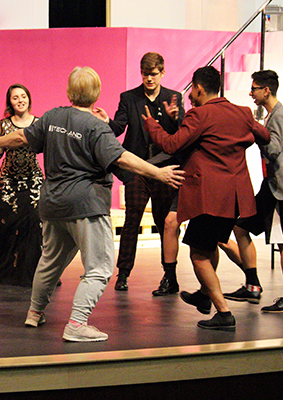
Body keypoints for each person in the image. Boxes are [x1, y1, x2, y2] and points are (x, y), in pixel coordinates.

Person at [0, 66, 184, 342]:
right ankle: (76, 324)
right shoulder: (96, 127)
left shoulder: (53, 116)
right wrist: (157, 172)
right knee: (99, 268)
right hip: (85, 206)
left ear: (69, 92)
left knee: (49, 263)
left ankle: (34, 313)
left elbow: (21, 137)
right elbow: (121, 158)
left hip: (52, 204)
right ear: (97, 93)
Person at [144, 66, 270, 331]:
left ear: (199, 88)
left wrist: (151, 125)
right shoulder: (242, 112)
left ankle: (223, 312)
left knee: (199, 255)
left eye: (192, 88)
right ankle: (204, 294)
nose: (190, 94)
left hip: (210, 197)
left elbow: (170, 145)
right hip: (236, 197)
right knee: (210, 245)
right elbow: (265, 136)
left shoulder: (200, 114)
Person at [93, 52, 184, 295]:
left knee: (165, 222)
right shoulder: (129, 98)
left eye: (153, 74)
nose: (149, 79)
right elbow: (119, 128)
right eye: (145, 74)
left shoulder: (174, 97)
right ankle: (122, 274)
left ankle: (169, 274)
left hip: (165, 170)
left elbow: (181, 134)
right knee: (132, 221)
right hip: (137, 169)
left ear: (162, 72)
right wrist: (106, 121)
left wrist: (176, 118)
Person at [222, 70, 283, 313]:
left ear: (266, 90)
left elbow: (273, 149)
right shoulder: (273, 115)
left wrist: (253, 129)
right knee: (240, 227)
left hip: (279, 189)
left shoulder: (278, 116)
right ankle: (253, 284)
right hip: (270, 187)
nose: (251, 92)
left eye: (254, 88)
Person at [0, 84, 44, 287]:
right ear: (10, 102)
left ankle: (31, 272)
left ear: (29, 99)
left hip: (33, 181)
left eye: (24, 96)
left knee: (34, 225)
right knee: (8, 225)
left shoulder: (38, 124)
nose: (21, 100)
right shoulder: (4, 124)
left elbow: (38, 147)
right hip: (8, 182)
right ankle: (3, 272)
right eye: (16, 98)